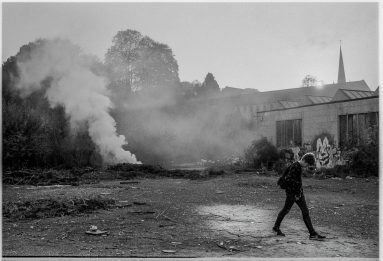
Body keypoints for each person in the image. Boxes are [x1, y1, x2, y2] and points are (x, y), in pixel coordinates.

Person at [273, 152, 326, 240]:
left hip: (296, 193)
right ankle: (276, 227)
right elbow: (290, 180)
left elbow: (290, 179)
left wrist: (298, 192)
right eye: (307, 164)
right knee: (287, 210)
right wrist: (297, 194)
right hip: (293, 193)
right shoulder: (296, 167)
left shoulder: (296, 165)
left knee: (299, 211)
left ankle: (312, 233)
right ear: (305, 161)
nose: (306, 167)